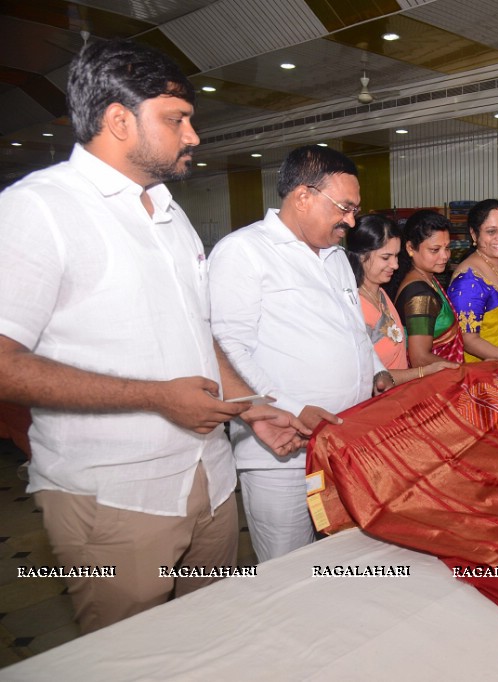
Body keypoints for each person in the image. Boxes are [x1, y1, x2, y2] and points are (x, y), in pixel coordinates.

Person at [0, 39, 306, 633]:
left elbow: (199, 337)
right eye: (176, 119)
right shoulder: (38, 209)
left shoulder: (169, 213)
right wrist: (156, 397)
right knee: (125, 652)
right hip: (116, 492)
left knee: (211, 635)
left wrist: (252, 408)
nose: (193, 135)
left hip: (209, 479)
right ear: (118, 119)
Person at [208, 145, 396, 563]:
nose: (351, 220)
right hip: (282, 451)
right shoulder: (244, 252)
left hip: (344, 445)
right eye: (345, 207)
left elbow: (353, 331)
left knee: (342, 558)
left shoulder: (334, 257)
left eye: (355, 209)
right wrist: (289, 409)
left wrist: (377, 371)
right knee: (287, 568)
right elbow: (226, 348)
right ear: (303, 196)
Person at [347, 213, 458, 383]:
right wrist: (424, 371)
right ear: (361, 256)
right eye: (386, 257)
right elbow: (367, 378)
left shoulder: (381, 293)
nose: (395, 265)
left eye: (396, 256)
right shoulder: (354, 308)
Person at [448, 199, 498, 364]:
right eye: (491, 232)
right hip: (483, 374)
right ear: (474, 234)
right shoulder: (468, 281)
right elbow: (468, 340)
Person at [389, 210, 465, 366]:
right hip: (433, 384)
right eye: (435, 250)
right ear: (410, 248)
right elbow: (420, 358)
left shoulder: (427, 278)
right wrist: (463, 371)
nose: (445, 256)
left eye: (447, 248)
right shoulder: (420, 296)